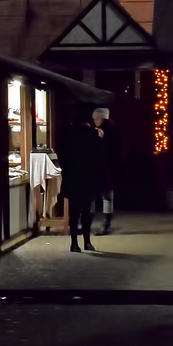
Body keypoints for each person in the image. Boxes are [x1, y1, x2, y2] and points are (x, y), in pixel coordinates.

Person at [58, 107, 103, 252]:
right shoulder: (92, 134)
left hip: (72, 177)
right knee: (86, 211)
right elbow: (99, 156)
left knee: (74, 211)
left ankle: (74, 242)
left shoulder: (68, 134)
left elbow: (62, 155)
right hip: (88, 177)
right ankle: (87, 241)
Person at [91, 106, 120, 235]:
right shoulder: (94, 131)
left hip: (107, 168)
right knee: (90, 196)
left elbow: (115, 150)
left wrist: (102, 140)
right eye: (94, 118)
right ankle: (88, 223)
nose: (95, 121)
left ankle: (106, 224)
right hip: (96, 168)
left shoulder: (111, 132)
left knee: (107, 196)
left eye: (97, 118)